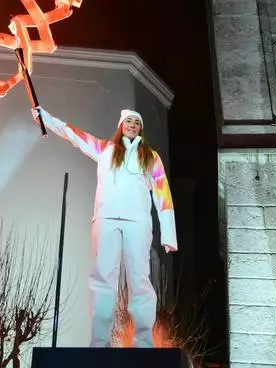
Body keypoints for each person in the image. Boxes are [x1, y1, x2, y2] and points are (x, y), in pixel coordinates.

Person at [32, 105, 177, 348]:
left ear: (141, 129)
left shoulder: (150, 157)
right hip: (106, 219)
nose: (132, 125)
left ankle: (143, 343)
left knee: (140, 280)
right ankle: (99, 343)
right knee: (102, 280)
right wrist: (45, 118)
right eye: (129, 121)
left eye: (137, 123)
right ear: (121, 126)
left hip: (138, 223)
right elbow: (73, 134)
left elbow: (163, 194)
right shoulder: (105, 149)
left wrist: (169, 234)